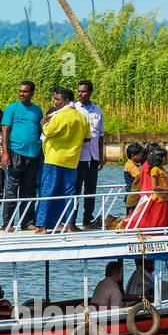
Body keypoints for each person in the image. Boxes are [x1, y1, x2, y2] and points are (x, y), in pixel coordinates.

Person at [36, 87, 89, 233]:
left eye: (57, 99)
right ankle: (70, 225)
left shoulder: (58, 116)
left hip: (54, 158)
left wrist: (44, 123)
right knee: (70, 193)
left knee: (47, 190)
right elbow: (87, 138)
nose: (55, 102)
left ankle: (42, 226)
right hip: (72, 160)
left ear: (66, 101)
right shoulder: (81, 117)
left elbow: (47, 131)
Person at [0, 81, 43, 231]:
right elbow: (5, 130)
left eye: (25, 91)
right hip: (15, 153)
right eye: (20, 91)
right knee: (11, 189)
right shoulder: (12, 108)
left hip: (33, 155)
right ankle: (8, 223)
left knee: (29, 190)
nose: (22, 94)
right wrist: (5, 153)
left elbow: (40, 130)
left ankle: (27, 222)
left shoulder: (37, 111)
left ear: (32, 93)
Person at [74, 80, 106, 229]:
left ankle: (87, 220)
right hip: (78, 157)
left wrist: (101, 155)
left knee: (90, 189)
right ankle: (71, 221)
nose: (80, 94)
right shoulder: (74, 108)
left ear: (90, 92)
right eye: (79, 91)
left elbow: (100, 135)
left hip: (93, 156)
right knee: (76, 188)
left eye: (84, 91)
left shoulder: (97, 110)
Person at [127, 147, 168, 230]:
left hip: (164, 198)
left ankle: (163, 231)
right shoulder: (155, 170)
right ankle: (157, 232)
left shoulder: (162, 169)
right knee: (157, 219)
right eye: (167, 157)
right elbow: (155, 187)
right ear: (162, 158)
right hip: (158, 199)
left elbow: (163, 182)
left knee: (164, 218)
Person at [122, 142, 146, 217]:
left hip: (134, 195)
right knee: (132, 217)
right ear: (133, 155)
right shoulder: (130, 165)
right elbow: (138, 176)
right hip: (133, 197)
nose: (141, 156)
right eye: (139, 155)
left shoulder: (135, 164)